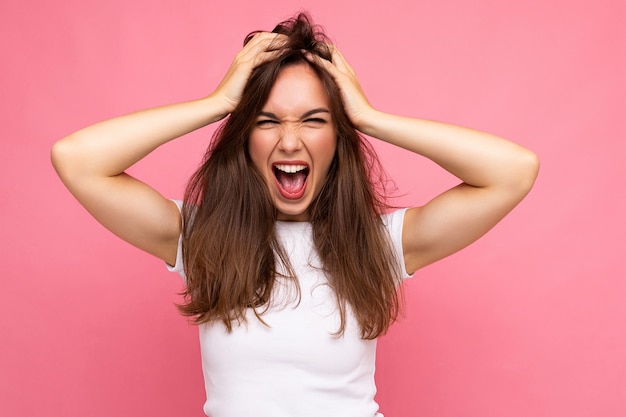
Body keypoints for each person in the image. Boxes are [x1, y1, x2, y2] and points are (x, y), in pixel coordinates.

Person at [51, 13, 539, 417]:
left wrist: (369, 117)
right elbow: (77, 159)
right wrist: (217, 103)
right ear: (244, 140)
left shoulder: (380, 243)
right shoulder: (201, 239)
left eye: (313, 120)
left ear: (337, 139)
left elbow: (514, 171)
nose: (289, 141)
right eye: (266, 121)